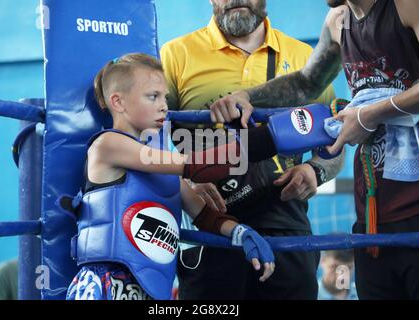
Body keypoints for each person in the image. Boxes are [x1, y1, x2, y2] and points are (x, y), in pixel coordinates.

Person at [211, 0, 419, 299]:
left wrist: (368, 115)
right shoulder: (338, 20)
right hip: (374, 214)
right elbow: (306, 83)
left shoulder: (406, 6)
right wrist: (247, 96)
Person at [160, 0, 344, 300]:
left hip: (286, 225)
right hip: (208, 225)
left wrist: (316, 170)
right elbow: (148, 136)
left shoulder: (305, 57)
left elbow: (334, 138)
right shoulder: (174, 54)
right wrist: (187, 179)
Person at [63, 53, 278, 301]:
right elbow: (194, 165)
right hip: (107, 283)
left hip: (151, 289)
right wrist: (273, 138)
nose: (164, 105)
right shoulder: (108, 145)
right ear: (118, 102)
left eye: (164, 97)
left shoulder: (164, 165)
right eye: (152, 96)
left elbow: (205, 215)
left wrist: (241, 232)